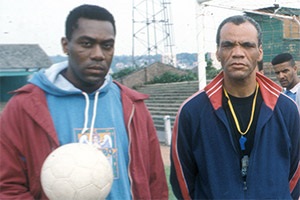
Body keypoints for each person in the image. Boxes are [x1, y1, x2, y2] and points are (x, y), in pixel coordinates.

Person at [0, 4, 168, 200]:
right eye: (86, 44)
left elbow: (156, 183)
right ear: (65, 45)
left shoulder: (132, 106)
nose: (98, 54)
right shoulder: (24, 107)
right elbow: (8, 187)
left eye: (107, 45)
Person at [170, 15, 300, 199]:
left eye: (247, 45)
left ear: (260, 52)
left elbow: (295, 173)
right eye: (229, 45)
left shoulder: (286, 108)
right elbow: (182, 180)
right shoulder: (192, 111)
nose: (238, 53)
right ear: (217, 52)